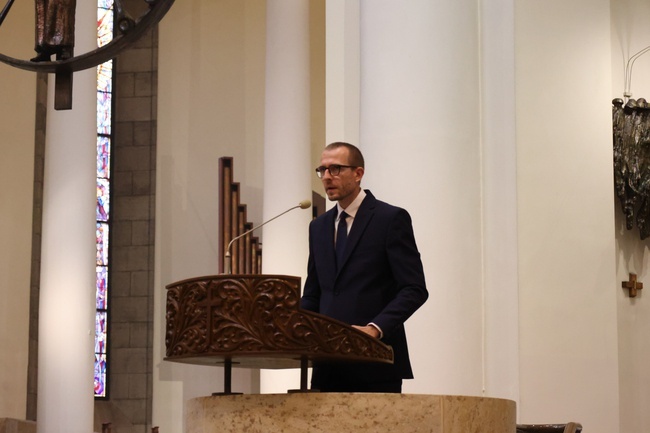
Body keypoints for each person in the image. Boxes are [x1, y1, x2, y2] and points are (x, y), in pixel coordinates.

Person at [301, 141, 428, 393]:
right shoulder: (318, 226)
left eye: (335, 169)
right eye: (322, 170)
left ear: (358, 173)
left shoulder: (389, 219)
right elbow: (314, 292)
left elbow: (414, 288)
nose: (327, 177)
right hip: (327, 364)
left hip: (375, 361)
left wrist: (374, 328)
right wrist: (296, 329)